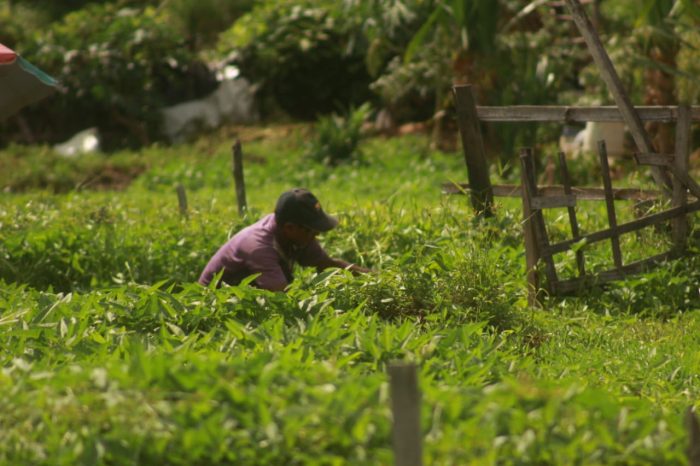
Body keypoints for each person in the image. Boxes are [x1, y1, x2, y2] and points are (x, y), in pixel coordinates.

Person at [198, 188, 369, 291]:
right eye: (311, 231)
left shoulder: (297, 237)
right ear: (290, 228)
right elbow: (280, 297)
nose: (316, 236)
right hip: (214, 306)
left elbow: (327, 265)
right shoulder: (259, 246)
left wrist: (374, 277)